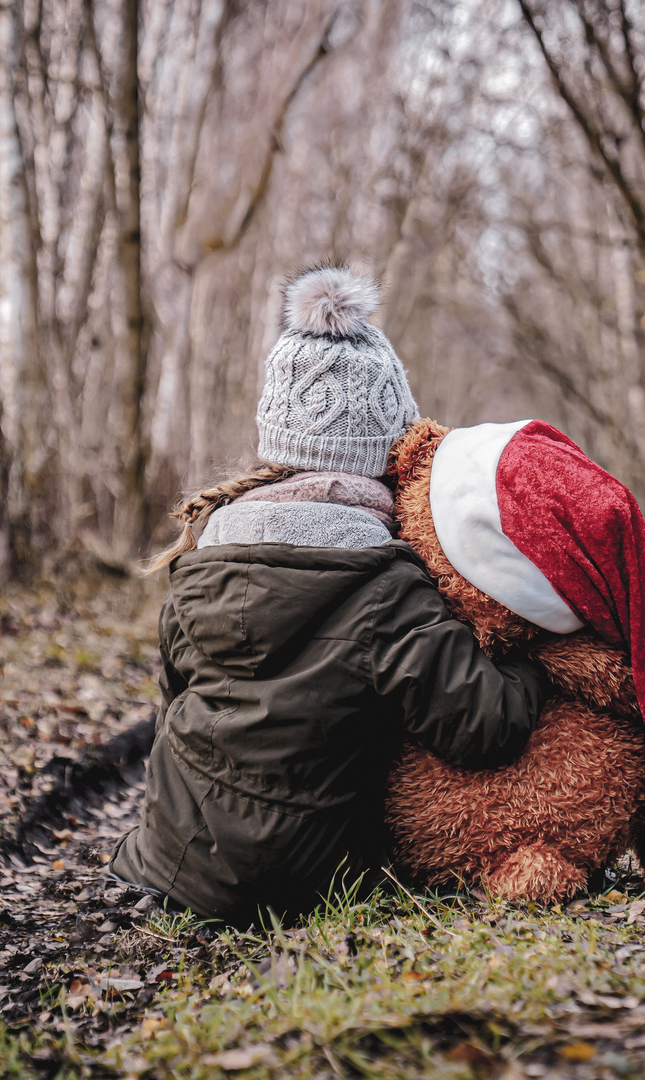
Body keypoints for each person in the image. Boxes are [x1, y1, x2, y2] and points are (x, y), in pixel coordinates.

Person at [107, 267, 543, 925]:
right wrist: (531, 658)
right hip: (312, 880)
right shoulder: (386, 585)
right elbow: (483, 727)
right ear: (391, 448)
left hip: (173, 866)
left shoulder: (204, 556)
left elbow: (174, 703)